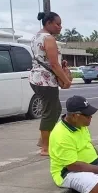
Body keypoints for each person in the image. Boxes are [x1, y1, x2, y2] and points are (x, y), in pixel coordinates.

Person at [30, 11, 73, 156]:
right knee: (49, 112)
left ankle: (44, 140)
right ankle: (45, 148)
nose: (60, 27)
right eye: (57, 24)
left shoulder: (36, 37)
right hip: (45, 80)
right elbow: (54, 64)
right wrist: (66, 81)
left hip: (37, 78)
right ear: (48, 23)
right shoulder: (48, 39)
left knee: (55, 109)